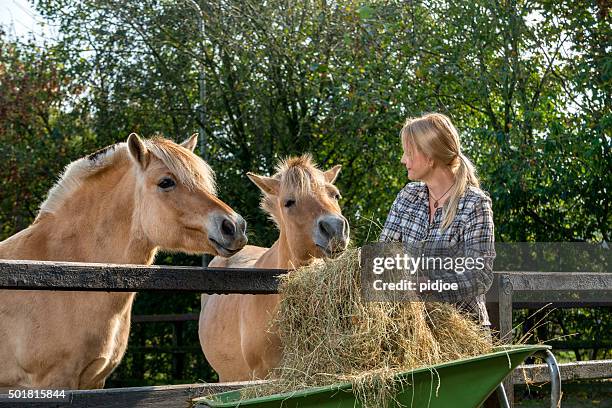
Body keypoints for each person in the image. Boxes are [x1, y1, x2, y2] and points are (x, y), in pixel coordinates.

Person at [379, 112, 496, 327]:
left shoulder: (474, 204)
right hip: (410, 327)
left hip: (462, 329)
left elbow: (480, 276)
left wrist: (430, 285)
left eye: (409, 153)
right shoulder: (408, 197)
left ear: (430, 157)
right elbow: (384, 255)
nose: (403, 160)